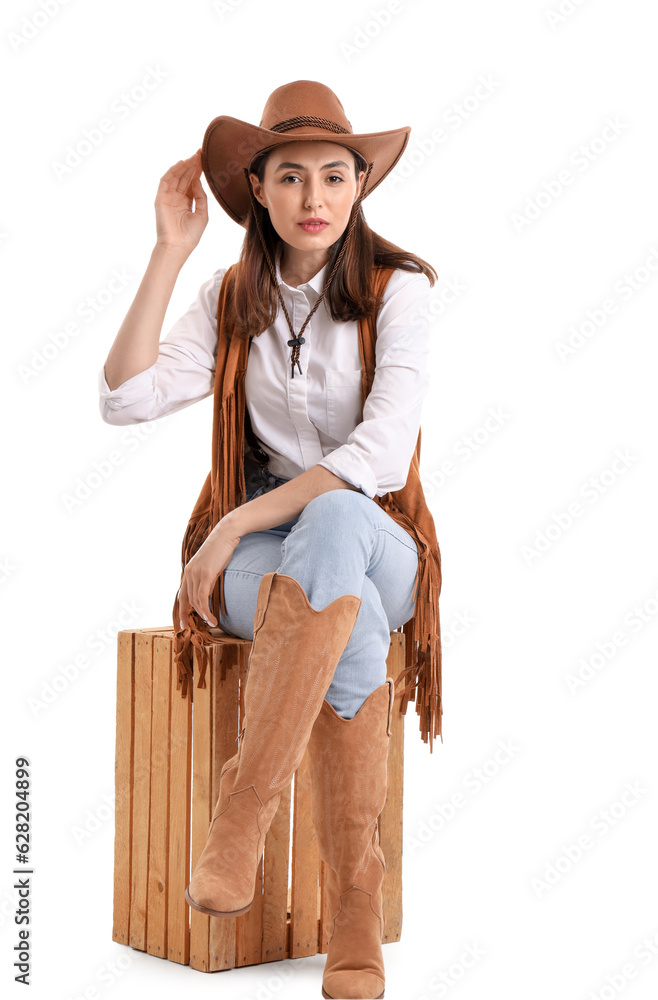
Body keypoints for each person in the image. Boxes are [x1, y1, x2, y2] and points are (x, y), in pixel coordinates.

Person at [99, 80, 442, 1000]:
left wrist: (234, 524)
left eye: (335, 176)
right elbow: (122, 398)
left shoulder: (395, 291)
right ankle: (354, 929)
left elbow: (378, 451)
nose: (315, 199)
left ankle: (239, 819)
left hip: (380, 544)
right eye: (291, 178)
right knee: (355, 628)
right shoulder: (230, 294)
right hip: (279, 575)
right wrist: (170, 254)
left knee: (334, 522)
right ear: (258, 189)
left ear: (360, 186)